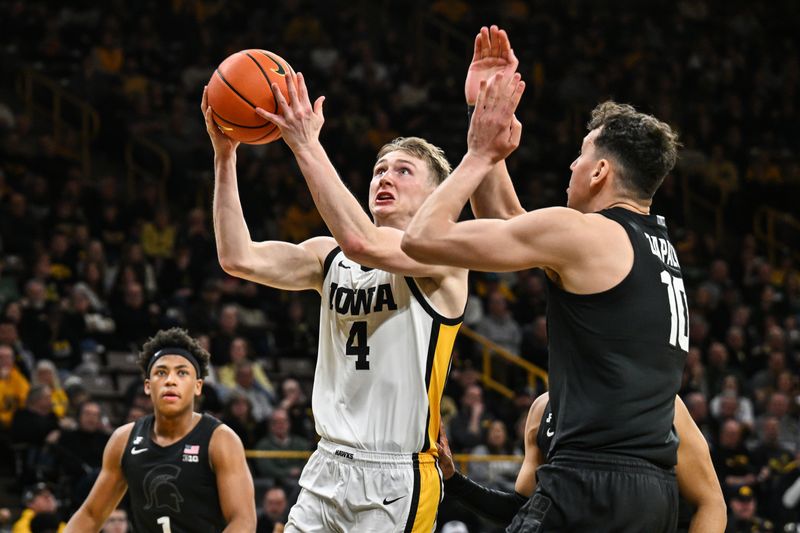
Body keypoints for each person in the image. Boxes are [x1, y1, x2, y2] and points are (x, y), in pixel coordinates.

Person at [203, 25, 519, 533]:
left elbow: (364, 244)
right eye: (378, 170)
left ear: (436, 194)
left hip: (396, 477)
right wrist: (226, 155)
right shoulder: (327, 256)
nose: (384, 178)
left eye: (403, 171)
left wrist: (304, 142)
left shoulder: (442, 254)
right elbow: (237, 257)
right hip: (327, 464)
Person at [402, 51, 687, 531]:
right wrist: (482, 107)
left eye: (580, 155)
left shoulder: (584, 233)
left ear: (600, 173)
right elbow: (511, 228)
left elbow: (421, 239)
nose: (571, 166)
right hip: (652, 494)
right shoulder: (654, 248)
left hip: (587, 483)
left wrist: (477, 154)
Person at [437, 393, 727, 532]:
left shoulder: (659, 402)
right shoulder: (543, 408)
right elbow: (520, 508)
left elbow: (711, 503)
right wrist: (454, 480)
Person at [64, 328, 256, 532]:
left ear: (198, 386)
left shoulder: (220, 439)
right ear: (148, 385)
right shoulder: (124, 439)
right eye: (161, 372)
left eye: (182, 372)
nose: (170, 381)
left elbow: (243, 521)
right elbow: (91, 515)